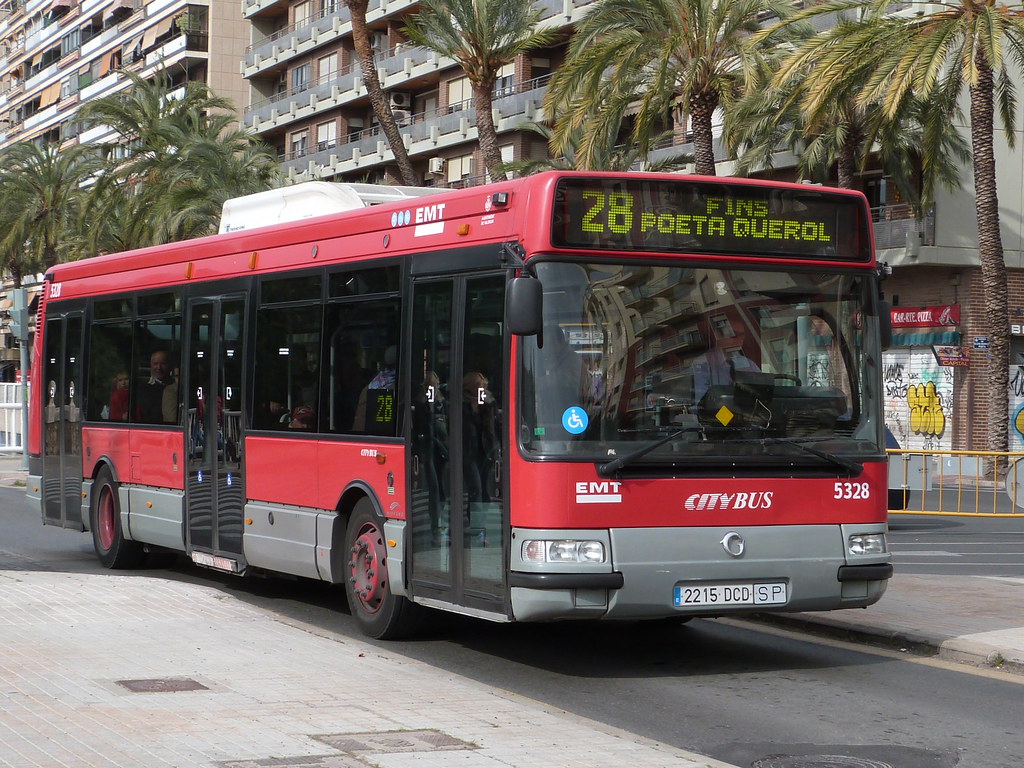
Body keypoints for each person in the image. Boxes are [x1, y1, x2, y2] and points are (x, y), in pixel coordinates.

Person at [134, 349, 173, 423]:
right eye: (155, 364)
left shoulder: (176, 388)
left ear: (170, 366)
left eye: (163, 363)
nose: (159, 367)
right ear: (151, 366)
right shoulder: (142, 389)